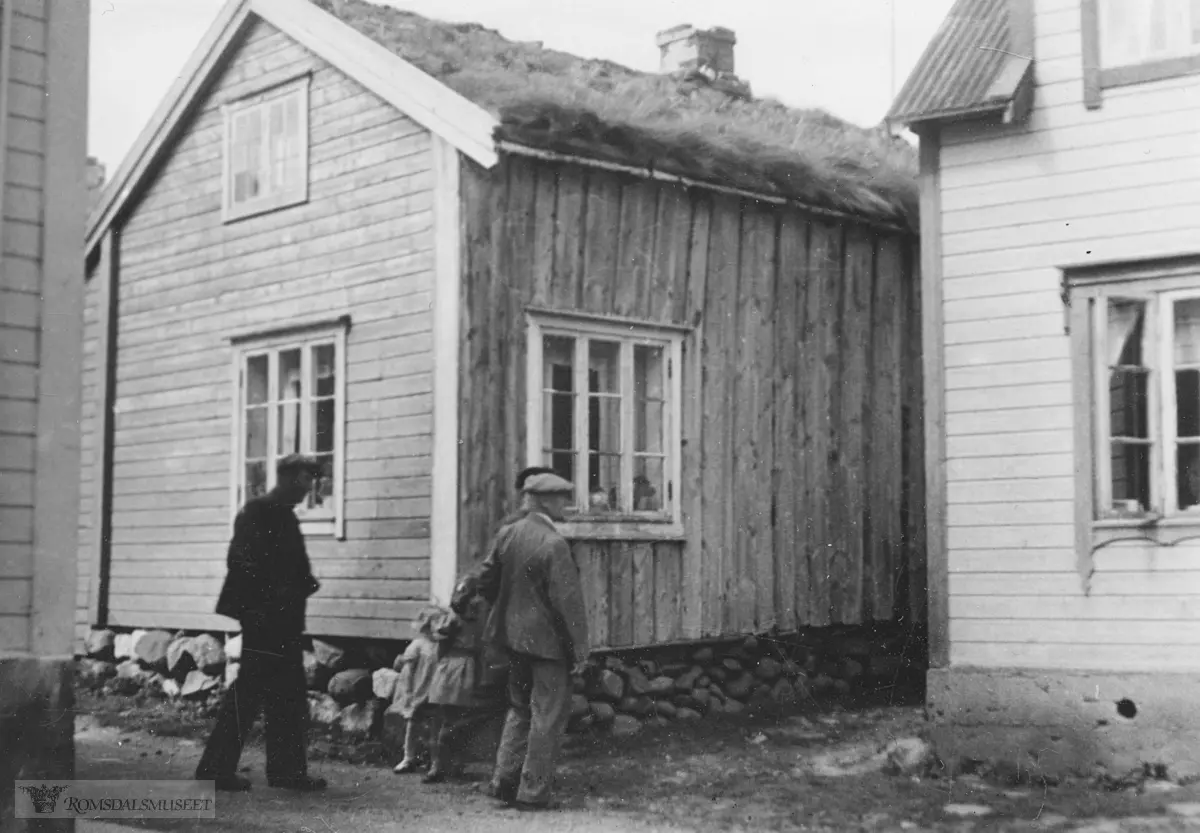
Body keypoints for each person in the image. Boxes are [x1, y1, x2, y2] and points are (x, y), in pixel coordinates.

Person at [195, 454, 327, 792]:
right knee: (250, 693)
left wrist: (301, 586)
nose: (308, 487)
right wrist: (274, 599)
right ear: (285, 478)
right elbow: (240, 561)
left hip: (283, 621)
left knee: (288, 695)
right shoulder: (258, 511)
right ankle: (215, 770)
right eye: (304, 480)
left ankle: (286, 772)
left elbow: (291, 568)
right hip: (266, 620)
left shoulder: (284, 516)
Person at [475, 472, 590, 811]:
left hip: (513, 640)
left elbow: (485, 581)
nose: (565, 505)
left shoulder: (508, 534)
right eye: (560, 498)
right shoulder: (553, 544)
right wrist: (580, 650)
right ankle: (533, 793)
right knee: (548, 716)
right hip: (548, 646)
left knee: (519, 710)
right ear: (542, 501)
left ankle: (503, 781)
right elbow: (568, 604)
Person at [421, 585, 498, 783]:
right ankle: (439, 764)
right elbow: (443, 645)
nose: (478, 603)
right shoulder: (454, 619)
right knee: (446, 718)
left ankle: (447, 763)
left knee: (453, 719)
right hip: (454, 667)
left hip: (461, 667)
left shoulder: (478, 619)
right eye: (475, 598)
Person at [391, 608, 442, 775]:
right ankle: (408, 757)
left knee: (436, 726)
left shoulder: (442, 646)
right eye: (434, 624)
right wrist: (409, 691)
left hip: (434, 690)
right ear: (425, 627)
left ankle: (435, 763)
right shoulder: (418, 645)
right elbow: (409, 671)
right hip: (418, 689)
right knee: (413, 723)